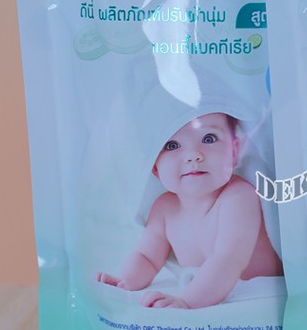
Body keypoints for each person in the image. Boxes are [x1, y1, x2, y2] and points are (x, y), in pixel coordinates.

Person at [97, 112, 281, 308]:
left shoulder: (239, 197)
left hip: (247, 280)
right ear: (155, 167)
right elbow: (147, 257)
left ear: (234, 151)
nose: (194, 155)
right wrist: (126, 280)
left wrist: (187, 301)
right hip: (212, 284)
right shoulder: (164, 208)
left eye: (209, 138)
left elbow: (228, 259)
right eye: (172, 145)